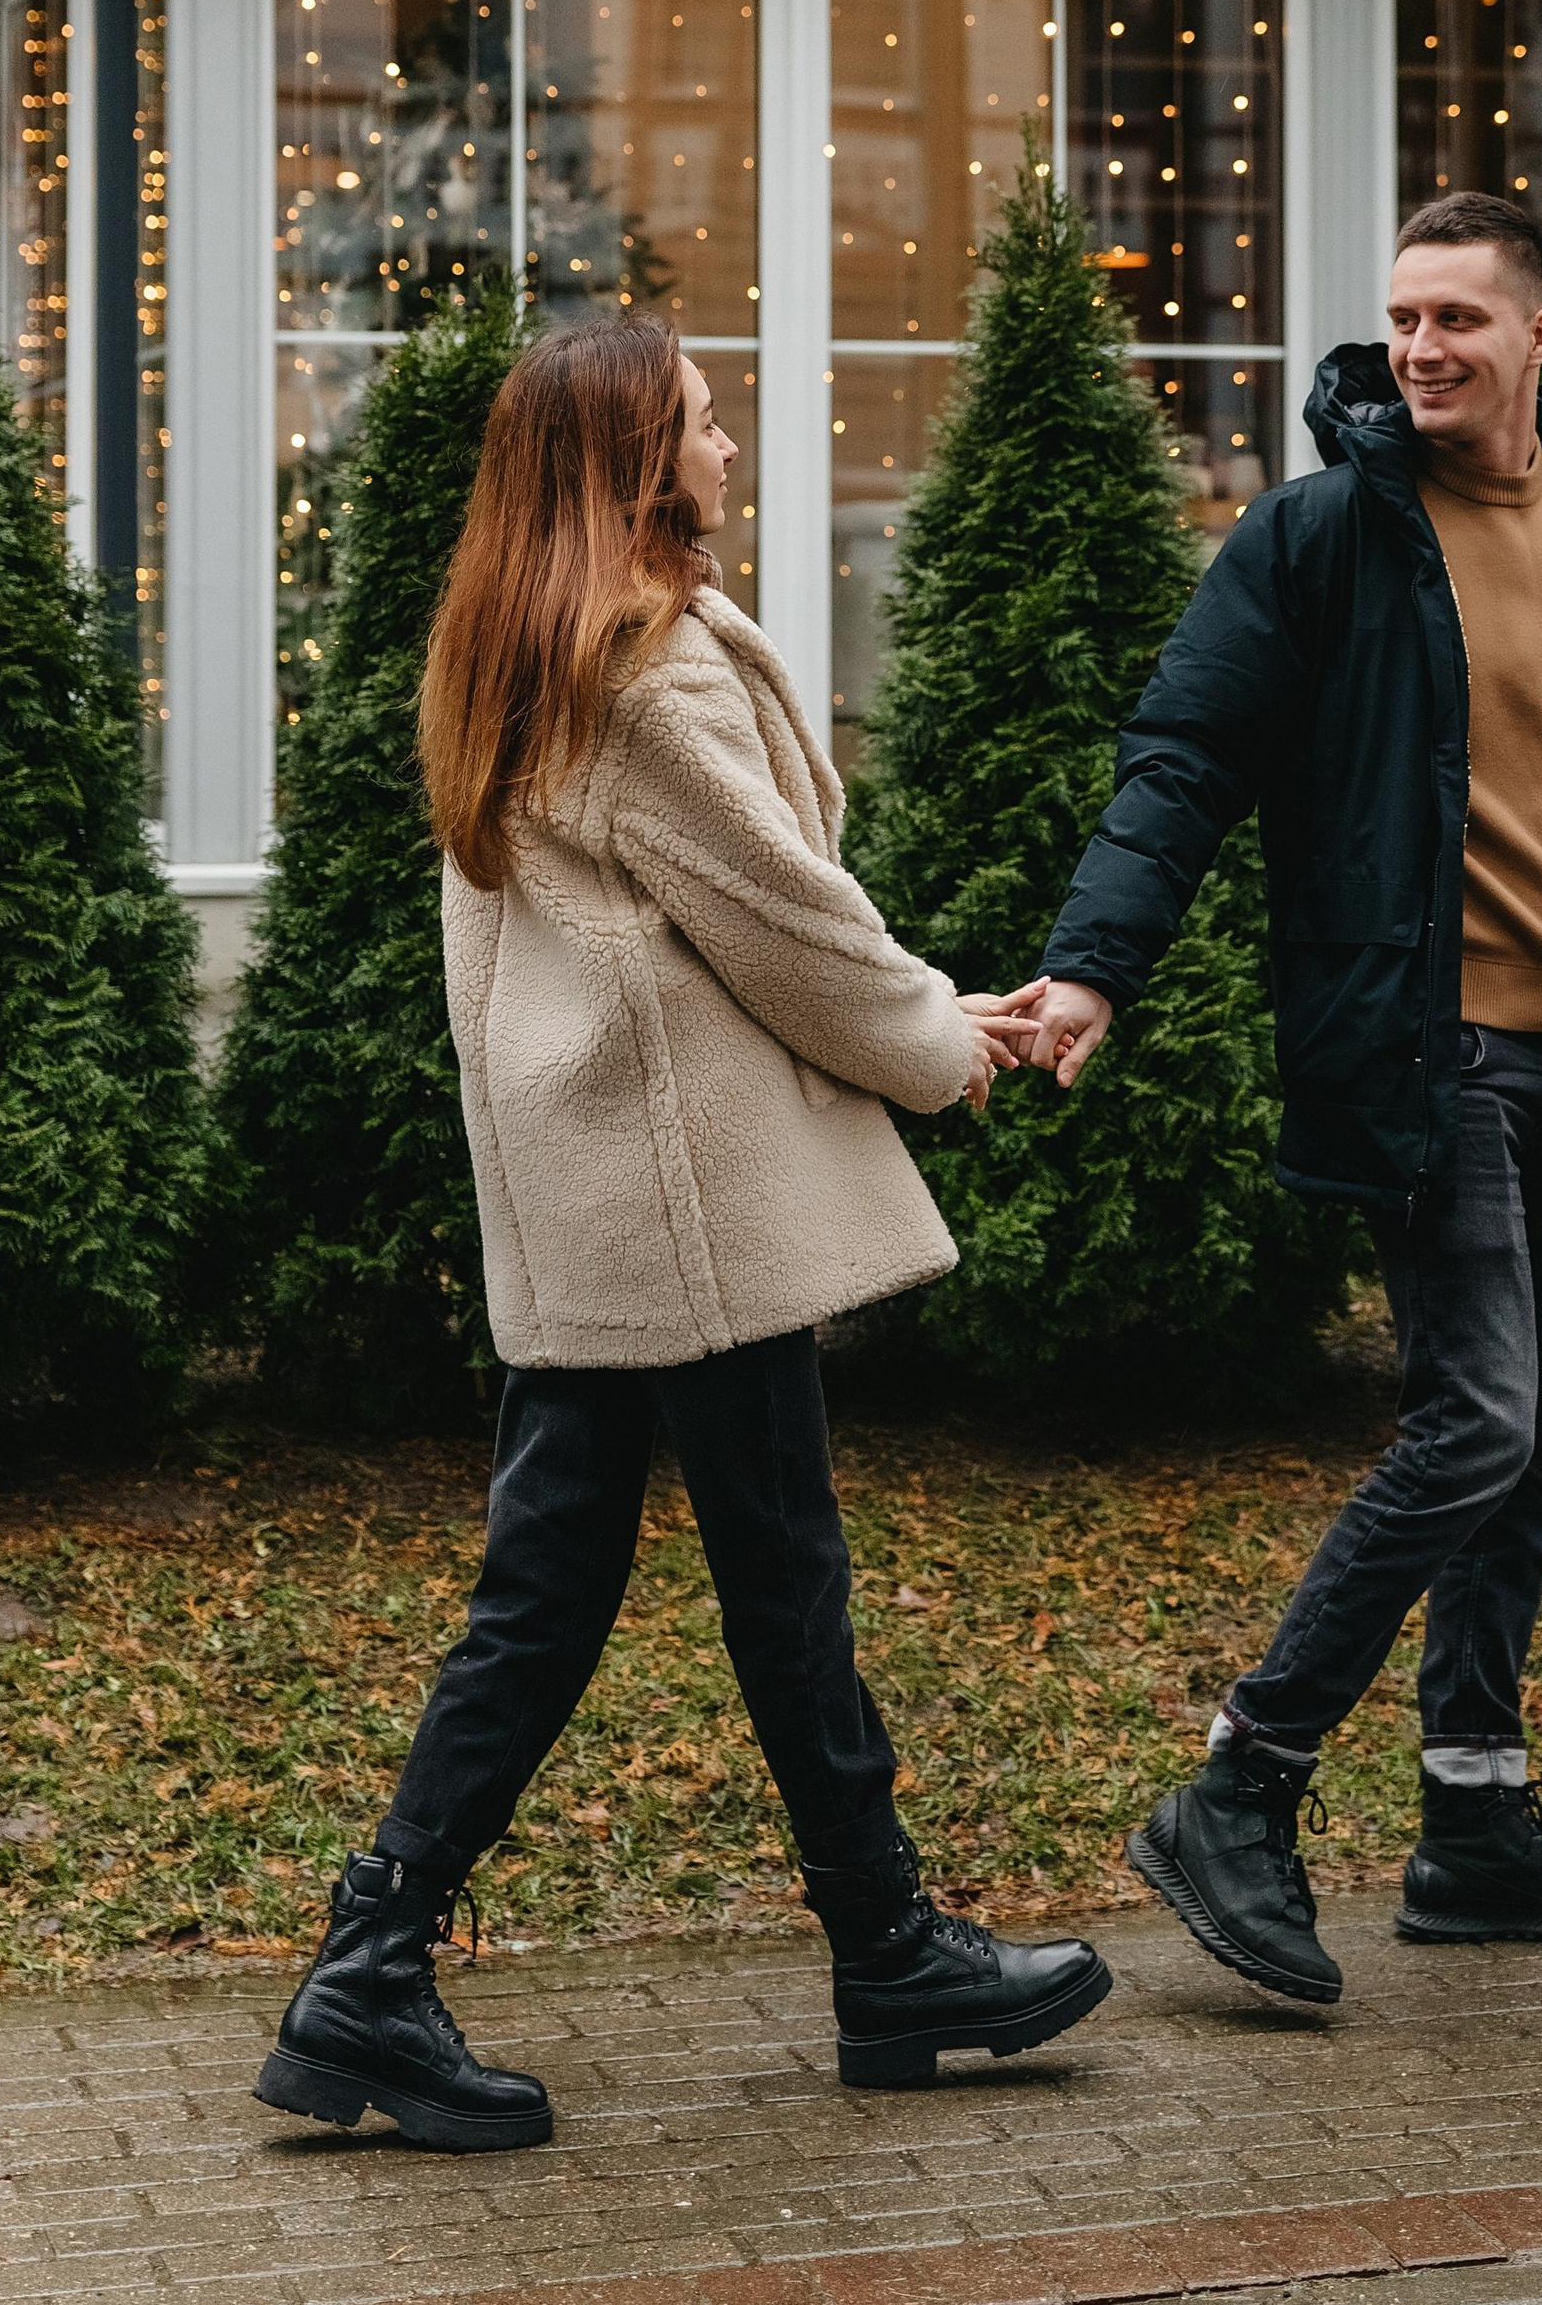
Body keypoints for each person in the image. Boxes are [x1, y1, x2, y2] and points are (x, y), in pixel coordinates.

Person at [255, 320, 1112, 2150]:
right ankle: (403, 1971)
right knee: (693, 1585)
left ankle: (831, 1952)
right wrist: (947, 1043)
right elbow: (788, 923)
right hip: (678, 1208)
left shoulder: (533, 656)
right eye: (709, 428)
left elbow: (727, 929)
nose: (731, 450)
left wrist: (930, 1008)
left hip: (615, 1194)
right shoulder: (648, 678)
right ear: (644, 468)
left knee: (629, 1581)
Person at [1031, 192, 1542, 2005]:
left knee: (1540, 1443)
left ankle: (1473, 1820)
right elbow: (1184, 755)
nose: (1422, 348)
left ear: (1541, 336)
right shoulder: (1330, 535)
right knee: (1475, 1426)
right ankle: (1242, 1788)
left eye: (1460, 320)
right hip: (1435, 1054)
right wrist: (1100, 965)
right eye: (1403, 318)